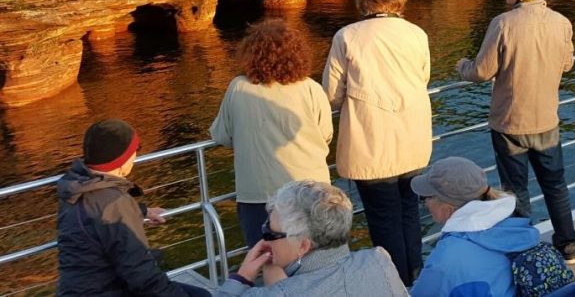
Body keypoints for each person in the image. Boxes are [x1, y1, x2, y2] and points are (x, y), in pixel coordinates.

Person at [456, 0, 575, 263]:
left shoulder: (503, 24)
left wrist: (462, 67)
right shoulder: (561, 22)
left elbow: (482, 72)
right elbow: (567, 64)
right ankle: (569, 247)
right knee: (556, 185)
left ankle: (526, 248)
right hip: (547, 121)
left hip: (510, 124)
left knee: (515, 191)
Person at [322, 0, 432, 286]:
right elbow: (423, 76)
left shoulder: (348, 36)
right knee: (410, 210)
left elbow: (332, 92)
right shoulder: (416, 33)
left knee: (382, 217)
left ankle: (394, 283)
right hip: (412, 136)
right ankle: (415, 275)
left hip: (372, 140)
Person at [210, 20, 332, 250]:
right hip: (309, 190)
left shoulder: (238, 87)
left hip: (258, 193)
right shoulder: (311, 88)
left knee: (266, 258)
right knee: (314, 255)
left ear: (250, 54)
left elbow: (222, 136)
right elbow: (325, 134)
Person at [57, 119, 211, 296]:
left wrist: (140, 211)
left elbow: (97, 220)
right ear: (122, 159)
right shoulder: (115, 203)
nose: (136, 156)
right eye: (136, 150)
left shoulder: (76, 188)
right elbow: (140, 274)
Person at [219, 180, 407, 296]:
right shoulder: (378, 260)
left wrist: (241, 278)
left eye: (270, 233)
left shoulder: (278, 293)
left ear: (303, 246)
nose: (264, 240)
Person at [410, 157, 544, 297]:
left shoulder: (446, 258)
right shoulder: (520, 227)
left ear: (448, 207)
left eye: (427, 197)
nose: (425, 203)